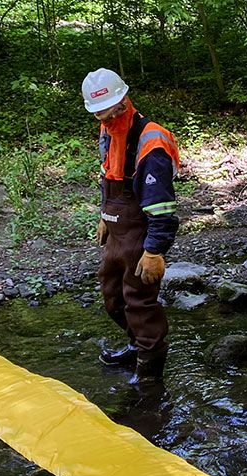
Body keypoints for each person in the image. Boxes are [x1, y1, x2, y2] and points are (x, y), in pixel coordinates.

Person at [82, 68, 180, 384]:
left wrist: (154, 252)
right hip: (117, 228)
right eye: (98, 114)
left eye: (108, 113)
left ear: (123, 101)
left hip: (141, 231)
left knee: (140, 303)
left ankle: (150, 376)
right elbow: (108, 173)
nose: (103, 120)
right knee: (113, 298)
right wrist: (104, 215)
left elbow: (162, 208)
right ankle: (135, 345)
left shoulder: (150, 141)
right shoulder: (107, 131)